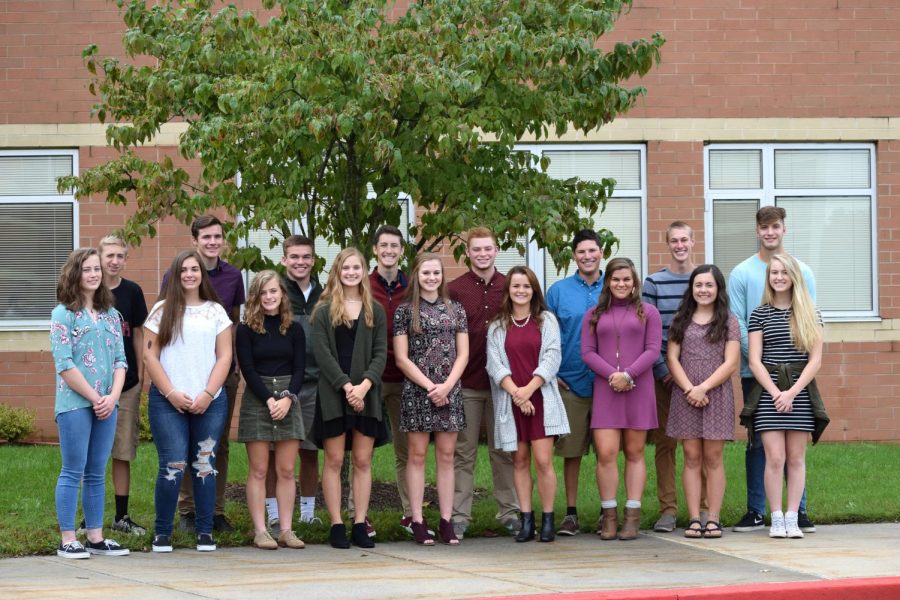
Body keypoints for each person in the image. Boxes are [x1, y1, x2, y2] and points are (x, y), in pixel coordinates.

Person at [728, 206, 817, 534]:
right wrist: (764, 364)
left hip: (796, 374)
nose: (770, 232)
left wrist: (788, 378)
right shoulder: (742, 273)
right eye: (764, 227)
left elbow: (808, 325)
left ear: (784, 229)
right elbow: (737, 323)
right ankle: (757, 510)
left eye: (775, 227)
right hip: (758, 373)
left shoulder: (803, 270)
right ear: (757, 231)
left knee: (795, 448)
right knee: (759, 444)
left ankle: (799, 513)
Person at [144, 250, 233, 553]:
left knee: (204, 464)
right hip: (168, 401)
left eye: (195, 269)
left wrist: (208, 394)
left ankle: (205, 531)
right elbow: (150, 357)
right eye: (184, 270)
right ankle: (162, 533)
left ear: (201, 274)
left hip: (210, 400)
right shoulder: (161, 311)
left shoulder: (216, 312)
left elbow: (225, 356)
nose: (190, 275)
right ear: (175, 274)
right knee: (174, 463)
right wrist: (170, 393)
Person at [163, 215, 246, 534]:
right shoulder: (177, 272)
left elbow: (234, 321)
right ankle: (187, 510)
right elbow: (166, 317)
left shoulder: (233, 276)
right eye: (206, 237)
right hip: (185, 373)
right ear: (194, 240)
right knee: (185, 443)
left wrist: (233, 363)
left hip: (222, 372)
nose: (213, 242)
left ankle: (215, 510)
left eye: (218, 237)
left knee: (217, 444)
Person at [50, 248, 129, 559]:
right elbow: (64, 364)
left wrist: (112, 397)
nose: (95, 274)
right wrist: (96, 398)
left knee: (97, 471)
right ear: (75, 274)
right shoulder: (63, 314)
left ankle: (95, 536)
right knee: (73, 469)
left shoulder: (112, 315)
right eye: (88, 269)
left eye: (97, 269)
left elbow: (122, 361)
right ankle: (68, 538)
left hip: (108, 404)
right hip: (75, 404)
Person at [743, 254, 826, 539]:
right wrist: (777, 393)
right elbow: (755, 360)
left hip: (800, 393)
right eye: (773, 273)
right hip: (769, 393)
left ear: (793, 277)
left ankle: (793, 516)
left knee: (796, 458)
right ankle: (776, 517)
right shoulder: (759, 314)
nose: (778, 277)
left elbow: (815, 361)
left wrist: (792, 392)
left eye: (783, 272)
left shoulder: (810, 313)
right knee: (774, 458)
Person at [310, 248, 388, 550]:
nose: (351, 272)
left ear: (363, 271)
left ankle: (359, 522)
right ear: (338, 271)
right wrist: (346, 388)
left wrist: (364, 386)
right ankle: (336, 524)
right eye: (346, 268)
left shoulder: (375, 310)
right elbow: (323, 355)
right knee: (334, 459)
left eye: (357, 267)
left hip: (367, 394)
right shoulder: (324, 309)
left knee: (363, 460)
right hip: (334, 393)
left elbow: (381, 353)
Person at [487, 266, 569, 543]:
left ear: (534, 290)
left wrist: (529, 390)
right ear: (508, 291)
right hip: (511, 402)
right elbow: (494, 364)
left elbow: (552, 357)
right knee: (519, 461)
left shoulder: (546, 320)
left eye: (526, 286)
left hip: (541, 400)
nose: (521, 291)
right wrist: (516, 395)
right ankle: (526, 520)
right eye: (515, 286)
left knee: (544, 461)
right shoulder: (498, 326)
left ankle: (547, 520)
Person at [582, 257, 662, 541]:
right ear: (608, 282)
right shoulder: (593, 313)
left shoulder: (648, 312)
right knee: (605, 453)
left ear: (635, 282)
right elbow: (588, 351)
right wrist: (613, 376)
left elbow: (653, 350)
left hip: (638, 388)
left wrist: (628, 375)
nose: (621, 284)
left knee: (635, 452)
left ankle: (632, 515)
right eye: (616, 279)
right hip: (606, 390)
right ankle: (609, 515)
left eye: (627, 279)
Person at [449, 227, 519, 540]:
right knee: (463, 452)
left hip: (504, 384)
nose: (482, 254)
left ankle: (510, 513)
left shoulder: (510, 286)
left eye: (487, 249)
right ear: (468, 253)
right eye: (476, 249)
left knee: (503, 450)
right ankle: (459, 517)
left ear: (496, 249)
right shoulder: (454, 289)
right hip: (467, 382)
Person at [394, 253, 469, 546]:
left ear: (442, 275)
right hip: (418, 391)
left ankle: (447, 521)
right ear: (416, 275)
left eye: (436, 273)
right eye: (426, 273)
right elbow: (401, 358)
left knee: (447, 456)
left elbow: (463, 353)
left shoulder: (455, 310)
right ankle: (417, 519)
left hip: (450, 391)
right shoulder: (405, 311)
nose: (431, 278)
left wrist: (447, 386)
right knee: (417, 455)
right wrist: (430, 387)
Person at [665, 265, 740, 539]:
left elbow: (731, 362)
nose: (704, 290)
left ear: (718, 289)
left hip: (716, 393)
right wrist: (689, 389)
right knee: (692, 457)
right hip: (685, 394)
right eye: (699, 285)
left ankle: (714, 518)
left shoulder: (729, 321)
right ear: (691, 289)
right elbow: (672, 357)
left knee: (714, 457)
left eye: (709, 285)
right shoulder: (680, 319)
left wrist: (704, 387)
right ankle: (695, 518)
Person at [643, 221, 706, 533]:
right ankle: (668, 509)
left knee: (704, 445)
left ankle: (706, 509)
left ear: (693, 242)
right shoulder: (654, 283)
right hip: (665, 378)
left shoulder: (706, 279)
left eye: (685, 239)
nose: (680, 245)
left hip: (702, 378)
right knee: (666, 444)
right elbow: (649, 333)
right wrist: (664, 371)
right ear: (667, 244)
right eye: (674, 241)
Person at [236, 270, 307, 550]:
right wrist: (268, 399)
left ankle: (286, 530)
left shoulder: (295, 328)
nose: (269, 297)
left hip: (288, 398)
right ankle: (261, 530)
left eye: (273, 291)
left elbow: (300, 369)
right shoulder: (246, 329)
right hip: (258, 398)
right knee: (259, 469)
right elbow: (248, 370)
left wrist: (288, 398)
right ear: (255, 296)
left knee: (287, 469)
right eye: (263, 292)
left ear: (282, 294)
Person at [545, 229, 604, 536]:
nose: (587, 256)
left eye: (592, 250)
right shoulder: (558, 292)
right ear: (574, 256)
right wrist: (552, 374)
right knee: (571, 452)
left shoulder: (617, 286)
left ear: (601, 252)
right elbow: (546, 337)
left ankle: (609, 511)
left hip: (610, 386)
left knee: (608, 453)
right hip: (570, 382)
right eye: (581, 252)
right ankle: (570, 513)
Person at [98, 235, 149, 536]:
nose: (114, 261)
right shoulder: (87, 289)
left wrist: (141, 375)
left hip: (126, 383)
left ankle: (121, 516)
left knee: (122, 450)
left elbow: (140, 333)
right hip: (92, 386)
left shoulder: (132, 292)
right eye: (109, 256)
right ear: (99, 257)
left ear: (125, 260)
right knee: (93, 453)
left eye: (120, 256)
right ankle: (89, 516)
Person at [367, 225, 412, 534]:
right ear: (375, 250)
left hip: (406, 378)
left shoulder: (413, 286)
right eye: (383, 245)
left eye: (394, 246)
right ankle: (360, 515)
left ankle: (411, 514)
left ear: (401, 251)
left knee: (407, 451)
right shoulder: (363, 285)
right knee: (363, 450)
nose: (389, 251)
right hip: (371, 378)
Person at [280, 235, 323, 527]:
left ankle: (307, 515)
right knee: (278, 454)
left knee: (309, 451)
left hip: (316, 382)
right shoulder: (276, 291)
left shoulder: (324, 293)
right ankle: (274, 515)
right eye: (294, 257)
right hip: (282, 383)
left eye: (306, 257)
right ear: (284, 259)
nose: (300, 262)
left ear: (313, 260)